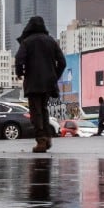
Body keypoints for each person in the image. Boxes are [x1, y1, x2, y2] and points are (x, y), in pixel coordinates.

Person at [14, 16, 67, 153]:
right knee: (43, 109)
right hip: (48, 83)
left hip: (33, 82)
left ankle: (41, 140)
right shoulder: (51, 41)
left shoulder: (27, 42)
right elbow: (62, 62)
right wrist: (55, 76)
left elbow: (19, 59)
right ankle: (47, 137)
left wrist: (20, 72)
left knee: (36, 111)